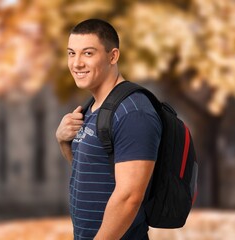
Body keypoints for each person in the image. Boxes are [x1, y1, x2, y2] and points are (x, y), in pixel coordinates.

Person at [56, 19, 162, 240]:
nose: (76, 63)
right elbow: (90, 171)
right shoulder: (91, 109)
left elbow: (129, 197)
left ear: (113, 56)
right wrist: (63, 141)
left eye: (87, 53)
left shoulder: (133, 112)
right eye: (71, 53)